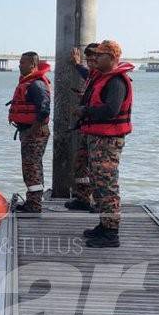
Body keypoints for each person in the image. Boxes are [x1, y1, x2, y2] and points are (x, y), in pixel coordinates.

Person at [73, 40, 134, 248]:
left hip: (108, 142)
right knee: (98, 184)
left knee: (107, 186)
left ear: (112, 58)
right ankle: (103, 224)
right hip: (97, 139)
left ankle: (111, 233)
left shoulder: (116, 82)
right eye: (95, 55)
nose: (95, 59)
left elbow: (111, 110)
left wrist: (85, 111)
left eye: (100, 55)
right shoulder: (101, 78)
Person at [8, 51, 51, 213]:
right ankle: (33, 201)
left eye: (23, 63)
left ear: (33, 65)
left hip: (34, 132)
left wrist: (33, 130)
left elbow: (45, 109)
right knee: (31, 167)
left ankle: (34, 204)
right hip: (27, 131)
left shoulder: (36, 84)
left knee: (32, 167)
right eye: (19, 62)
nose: (19, 65)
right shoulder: (28, 83)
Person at [65, 43, 100, 211]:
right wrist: (78, 64)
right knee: (80, 164)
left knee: (98, 168)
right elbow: (87, 73)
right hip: (87, 130)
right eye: (88, 59)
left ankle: (98, 202)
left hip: (99, 133)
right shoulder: (92, 76)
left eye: (94, 58)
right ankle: (83, 198)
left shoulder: (105, 78)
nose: (91, 62)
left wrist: (84, 110)